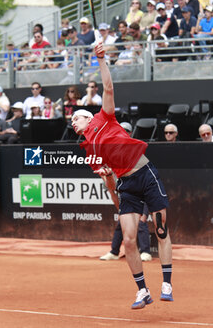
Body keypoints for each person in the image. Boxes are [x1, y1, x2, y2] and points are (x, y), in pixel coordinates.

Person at [71, 42, 173, 309]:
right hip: (127, 184)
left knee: (160, 230)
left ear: (88, 117)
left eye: (76, 119)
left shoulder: (104, 118)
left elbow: (108, 88)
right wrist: (108, 180)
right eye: (71, 122)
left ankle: (167, 282)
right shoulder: (88, 149)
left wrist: (101, 59)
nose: (73, 123)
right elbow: (111, 187)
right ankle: (142, 290)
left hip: (146, 173)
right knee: (129, 239)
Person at [100, 122, 152, 263]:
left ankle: (146, 252)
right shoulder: (108, 162)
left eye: (125, 131)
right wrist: (121, 211)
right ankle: (114, 252)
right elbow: (112, 192)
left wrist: (145, 213)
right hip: (127, 197)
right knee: (121, 223)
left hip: (144, 193)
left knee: (141, 221)